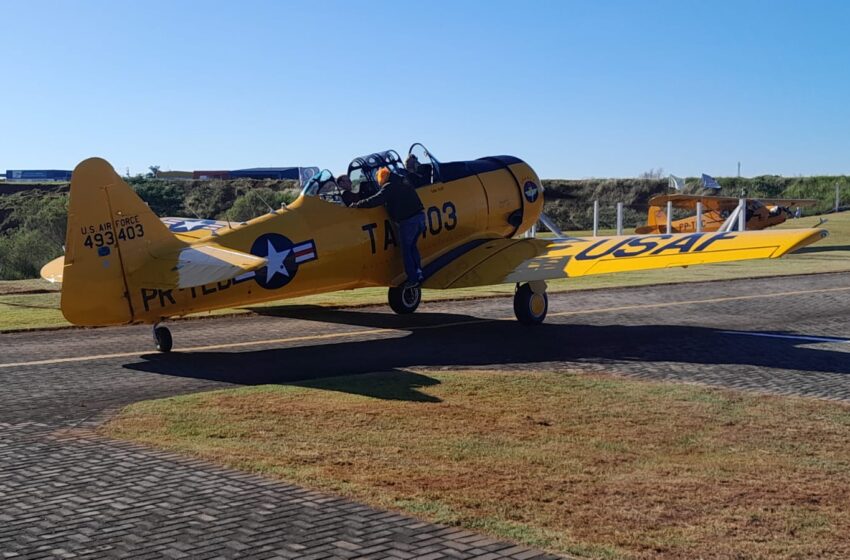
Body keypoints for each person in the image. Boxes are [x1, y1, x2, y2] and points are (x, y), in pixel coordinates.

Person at [353, 166, 426, 287]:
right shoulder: (403, 180)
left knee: (406, 251)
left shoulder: (390, 186)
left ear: (383, 178)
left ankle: (413, 279)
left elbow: (377, 199)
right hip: (420, 217)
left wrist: (358, 204)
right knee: (413, 247)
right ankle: (419, 272)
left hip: (408, 222)